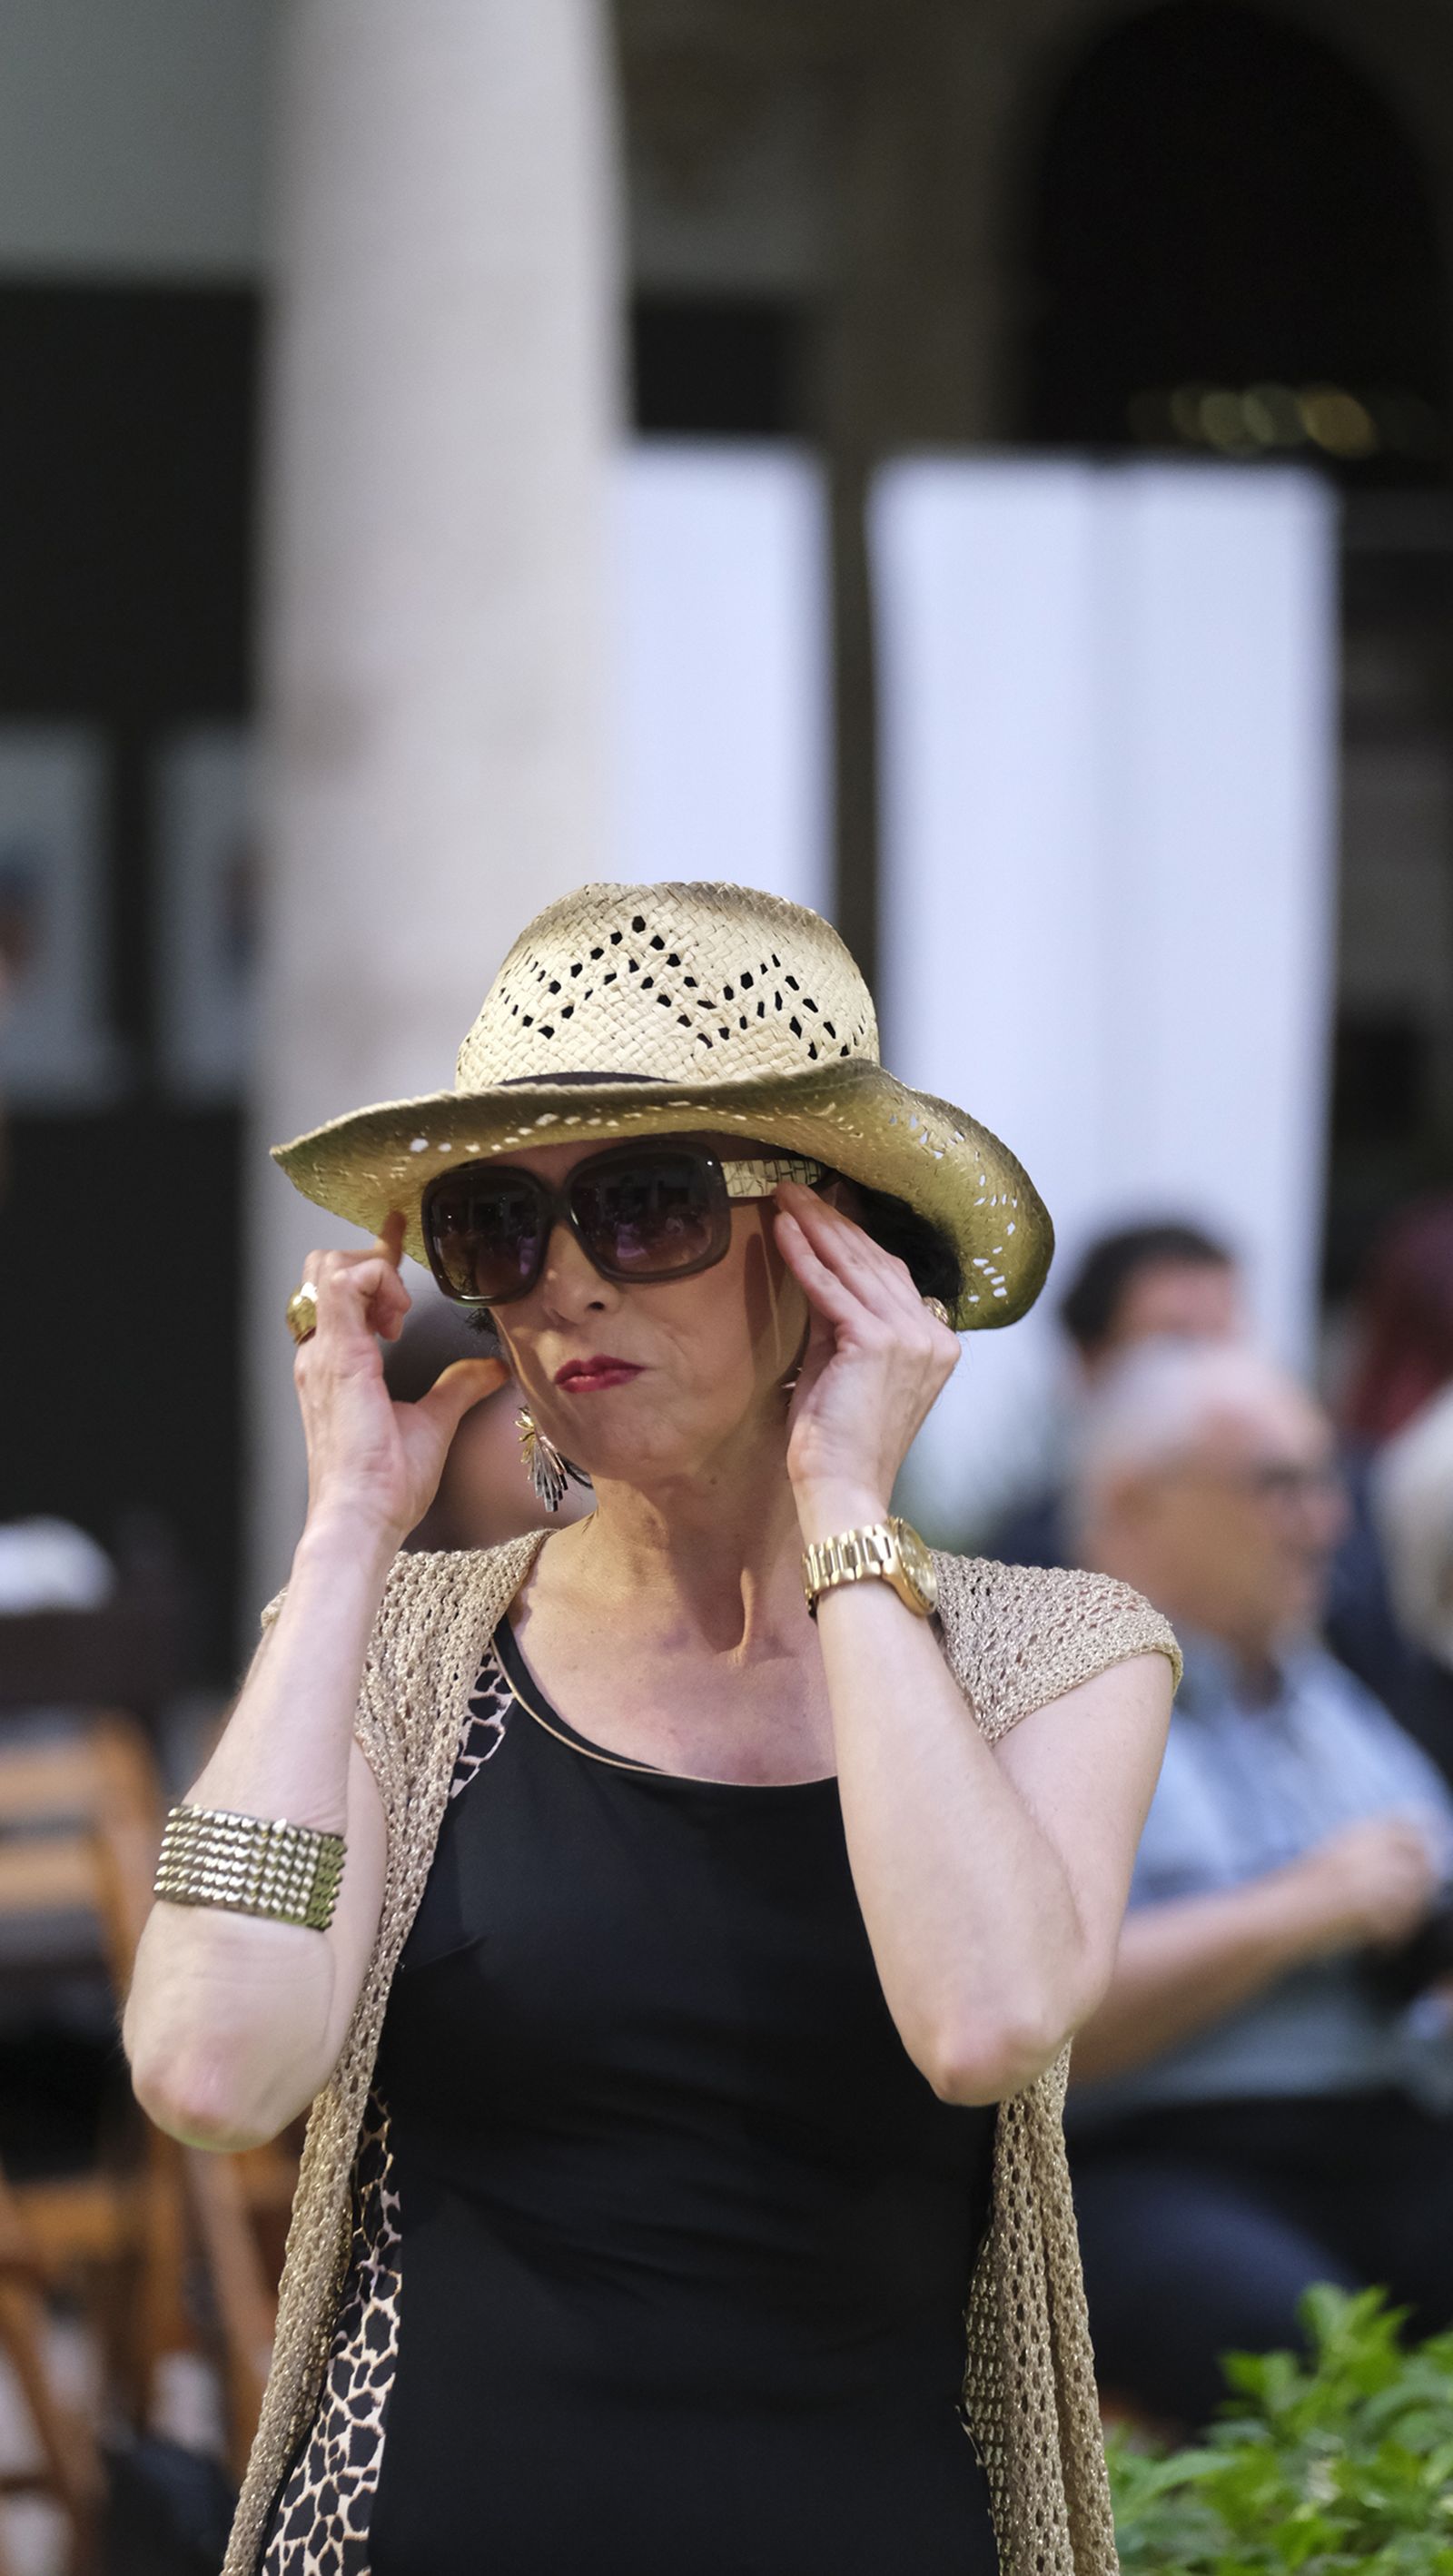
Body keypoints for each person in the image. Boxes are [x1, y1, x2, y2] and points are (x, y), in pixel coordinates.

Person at [122, 882, 1179, 2576]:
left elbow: (983, 2023)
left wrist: (844, 1501)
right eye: (496, 1227)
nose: (562, 1287)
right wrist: (343, 1542)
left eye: (645, 1206)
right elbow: (206, 2074)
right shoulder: (403, 1644)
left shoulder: (1051, 1651)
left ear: (832, 1241)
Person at [1061, 1337, 1453, 2432]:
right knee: (1306, 2352)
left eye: (1326, 1482)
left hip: (1390, 2121)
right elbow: (1033, 2022)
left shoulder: (1328, 1690)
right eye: (1278, 1483)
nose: (1323, 1520)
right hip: (1155, 2155)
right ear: (1136, 1501)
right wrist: (1301, 1909)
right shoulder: (1045, 1694)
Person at [988, 1219, 1243, 1569]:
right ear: (1090, 1361)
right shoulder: (1026, 1565)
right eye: (1177, 1343)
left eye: (1221, 1338)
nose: (1210, 1368)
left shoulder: (1308, 1531)